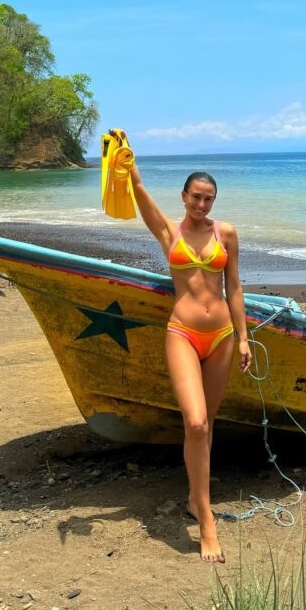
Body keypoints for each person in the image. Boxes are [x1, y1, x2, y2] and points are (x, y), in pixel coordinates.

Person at [130, 163, 251, 563]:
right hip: (182, 331)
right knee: (195, 422)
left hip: (221, 337)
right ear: (183, 197)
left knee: (207, 423)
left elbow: (233, 285)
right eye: (195, 196)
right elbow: (141, 199)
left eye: (208, 198)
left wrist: (244, 336)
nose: (201, 203)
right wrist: (131, 174)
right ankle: (207, 523)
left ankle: (194, 500)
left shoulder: (227, 233)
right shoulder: (171, 232)